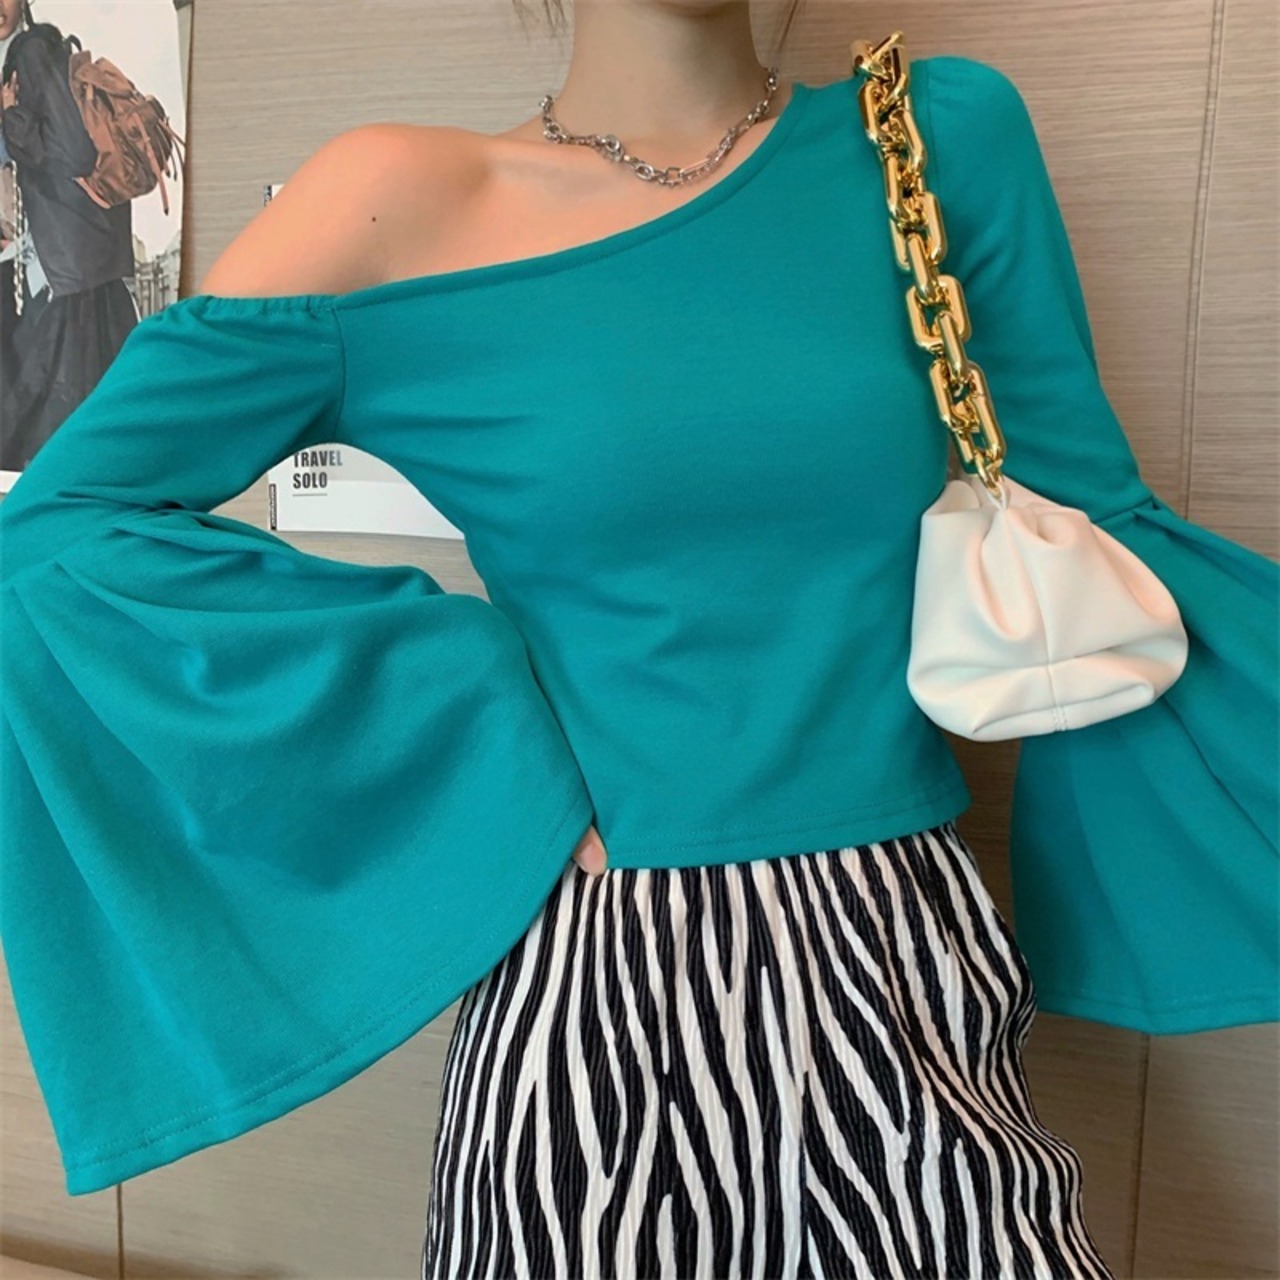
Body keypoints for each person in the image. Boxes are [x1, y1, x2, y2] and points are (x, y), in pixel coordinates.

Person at [0, 2, 1275, 1277]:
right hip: (594, 976)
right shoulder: (396, 198)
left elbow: (1108, 547)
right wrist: (467, 719)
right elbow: (58, 535)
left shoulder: (930, 139)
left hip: (899, 950)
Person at [0, 0, 137, 469]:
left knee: (49, 407)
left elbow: (76, 152)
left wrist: (12, 116)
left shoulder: (31, 52)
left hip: (67, 264)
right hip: (74, 258)